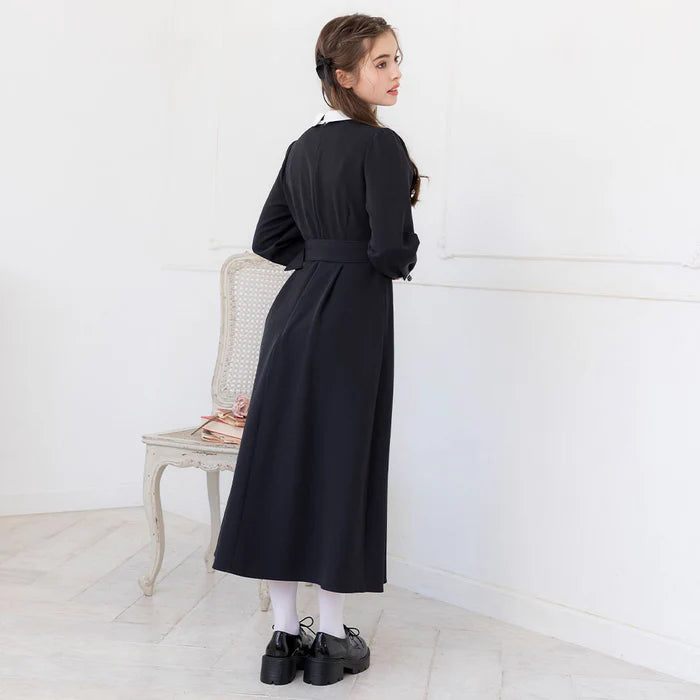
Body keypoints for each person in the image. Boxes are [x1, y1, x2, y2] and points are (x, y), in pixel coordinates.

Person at [211, 12, 424, 686]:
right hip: (353, 319)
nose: (396, 73)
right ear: (345, 75)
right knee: (341, 466)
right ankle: (329, 640)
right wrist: (373, 258)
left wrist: (322, 259)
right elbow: (390, 250)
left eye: (396, 59)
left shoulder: (302, 147)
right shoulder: (381, 146)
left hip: (293, 315)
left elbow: (269, 238)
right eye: (382, 62)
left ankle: (282, 639)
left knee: (282, 463)